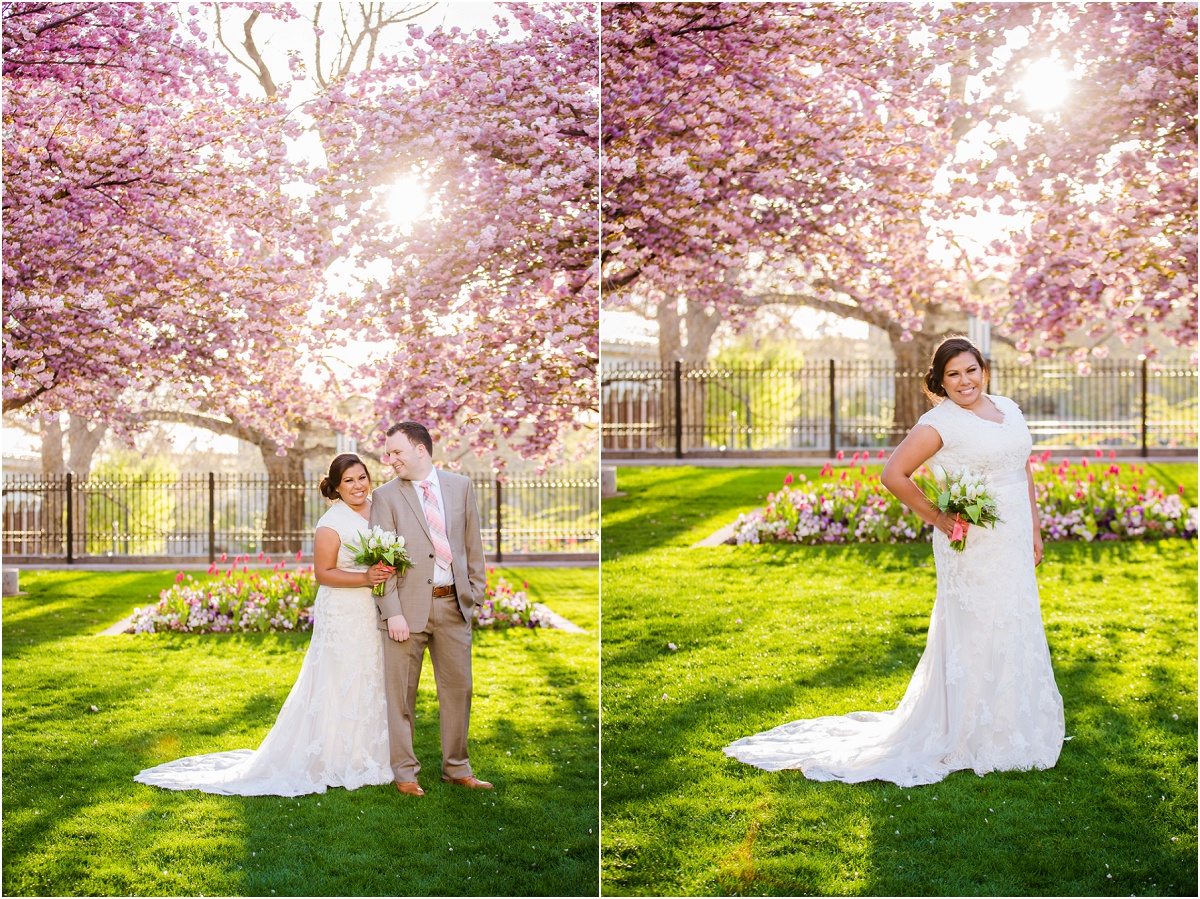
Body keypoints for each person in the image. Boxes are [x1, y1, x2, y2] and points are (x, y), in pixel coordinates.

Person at [724, 336, 1065, 787]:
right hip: (972, 542)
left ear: (984, 369)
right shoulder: (939, 422)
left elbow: (1022, 468)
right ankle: (968, 731)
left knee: (1014, 622)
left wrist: (1036, 531)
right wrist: (940, 518)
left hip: (1014, 538)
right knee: (979, 629)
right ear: (940, 382)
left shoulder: (1007, 408)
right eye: (954, 375)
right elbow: (893, 474)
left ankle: (1014, 723)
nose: (965, 381)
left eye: (971, 370)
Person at [133, 454, 395, 796]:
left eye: (362, 477)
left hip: (371, 609)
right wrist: (365, 577)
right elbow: (324, 574)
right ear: (335, 487)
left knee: (369, 674)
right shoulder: (331, 524)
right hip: (343, 610)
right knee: (338, 677)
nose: (358, 485)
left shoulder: (382, 508)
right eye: (349, 481)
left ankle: (368, 752)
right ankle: (333, 757)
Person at [369, 421, 491, 796]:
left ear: (420, 449)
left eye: (396, 452)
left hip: (454, 606)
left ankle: (457, 768)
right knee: (401, 695)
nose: (390, 460)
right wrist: (393, 613)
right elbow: (380, 560)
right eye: (388, 453)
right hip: (407, 613)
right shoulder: (385, 496)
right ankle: (405, 773)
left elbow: (472, 544)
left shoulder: (460, 486)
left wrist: (475, 594)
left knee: (460, 690)